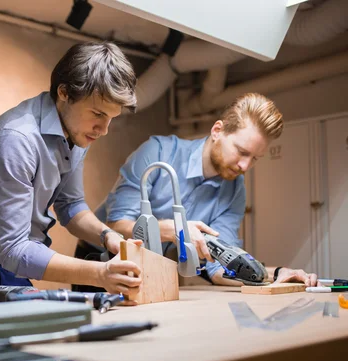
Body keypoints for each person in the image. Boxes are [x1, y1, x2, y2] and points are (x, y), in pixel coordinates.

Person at [0, 42, 142, 296]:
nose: (103, 130)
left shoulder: (76, 132)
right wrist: (99, 273)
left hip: (13, 267)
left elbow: (71, 206)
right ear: (64, 93)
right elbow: (14, 249)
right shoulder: (17, 139)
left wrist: (107, 235)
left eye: (110, 118)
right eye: (97, 114)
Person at [73, 92, 320, 291]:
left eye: (255, 158)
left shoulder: (234, 191)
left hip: (154, 267)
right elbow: (117, 223)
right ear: (217, 131)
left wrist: (272, 274)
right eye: (242, 152)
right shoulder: (157, 152)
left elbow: (220, 266)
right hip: (100, 255)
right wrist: (177, 230)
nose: (245, 166)